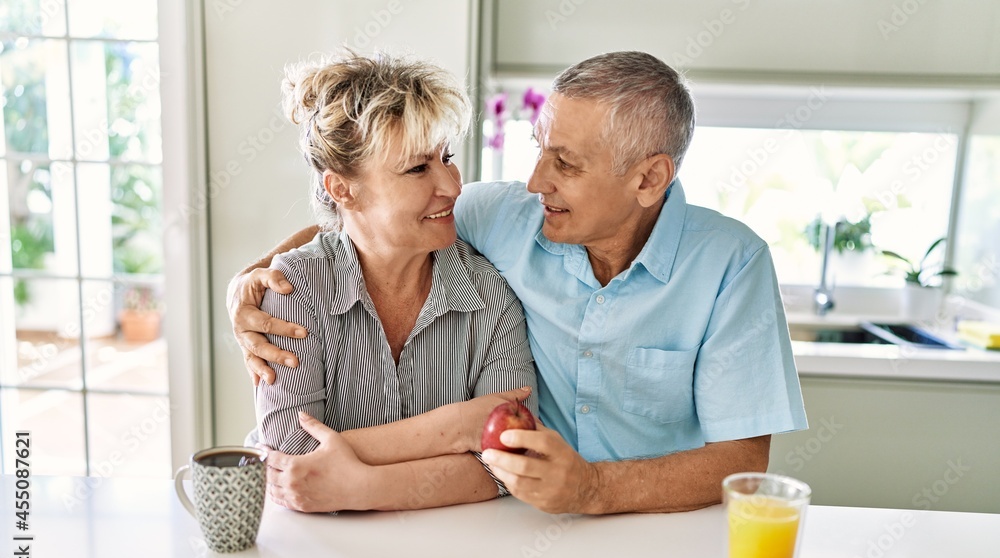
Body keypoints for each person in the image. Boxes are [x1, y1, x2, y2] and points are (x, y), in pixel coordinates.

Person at [230, 51, 807, 515]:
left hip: (661, 530)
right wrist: (253, 279)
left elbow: (742, 463)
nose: (534, 182)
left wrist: (594, 490)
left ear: (649, 178)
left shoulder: (732, 264)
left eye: (567, 164)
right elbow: (372, 222)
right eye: (539, 150)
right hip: (518, 529)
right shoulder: (507, 216)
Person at [245, 52, 537, 512]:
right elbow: (294, 461)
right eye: (418, 168)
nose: (452, 186)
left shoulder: (488, 294)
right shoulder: (295, 288)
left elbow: (510, 461)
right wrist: (458, 427)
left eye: (447, 158)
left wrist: (359, 486)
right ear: (343, 190)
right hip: (318, 554)